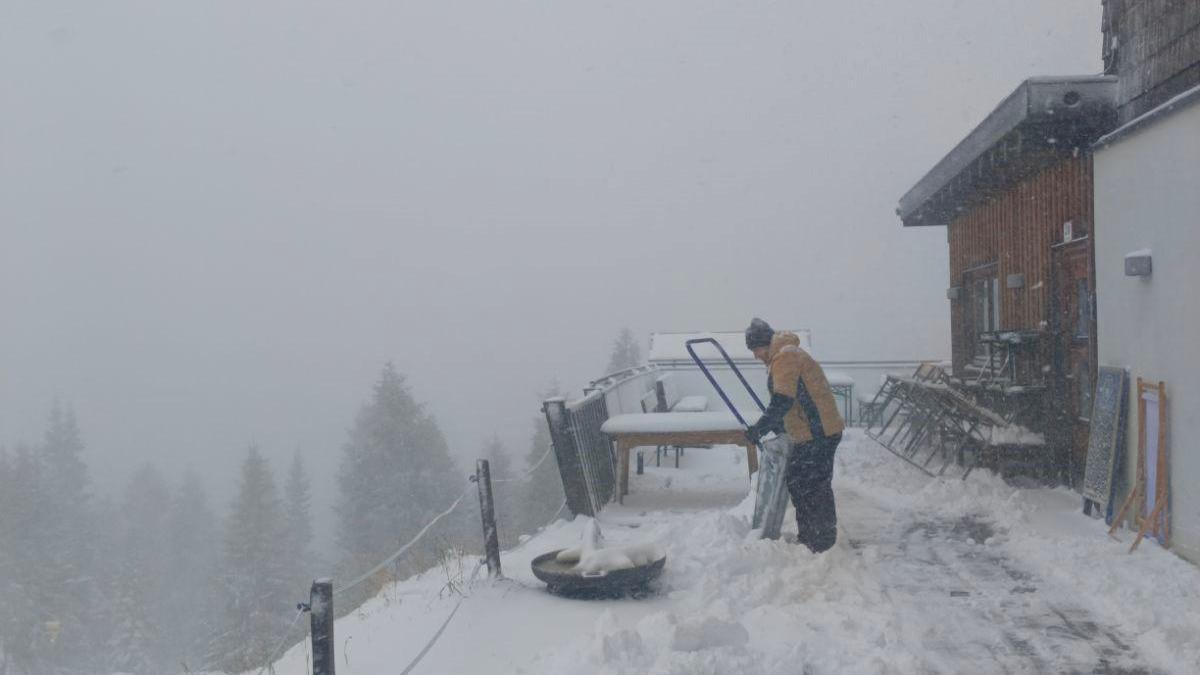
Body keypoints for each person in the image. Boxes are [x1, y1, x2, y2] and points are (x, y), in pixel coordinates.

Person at [743, 318, 844, 553]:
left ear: (765, 344)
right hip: (815, 431)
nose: (755, 355)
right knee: (804, 482)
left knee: (811, 484)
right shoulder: (785, 355)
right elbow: (794, 399)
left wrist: (760, 428)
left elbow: (783, 399)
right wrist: (778, 427)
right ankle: (815, 537)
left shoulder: (785, 357)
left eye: (755, 349)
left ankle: (819, 541)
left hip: (819, 432)